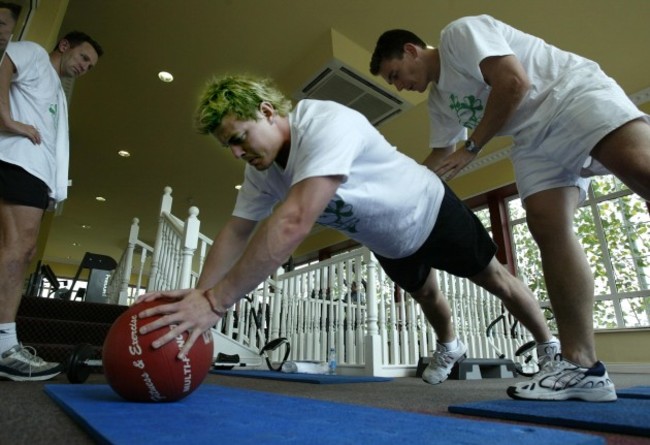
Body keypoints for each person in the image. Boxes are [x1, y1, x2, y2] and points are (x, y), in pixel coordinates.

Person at [137, 74, 558, 390]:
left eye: (239, 137)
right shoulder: (261, 174)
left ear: (267, 111)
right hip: (389, 241)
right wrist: (198, 296)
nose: (236, 153)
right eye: (227, 146)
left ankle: (550, 351)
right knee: (427, 294)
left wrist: (215, 302)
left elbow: (293, 221)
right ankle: (450, 345)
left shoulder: (324, 122)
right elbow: (235, 231)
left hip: (429, 207)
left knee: (496, 279)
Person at [369, 14, 650, 402]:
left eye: (395, 73)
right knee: (547, 227)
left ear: (411, 50)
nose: (400, 85)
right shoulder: (438, 100)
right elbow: (440, 155)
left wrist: (472, 148)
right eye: (392, 83)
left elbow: (514, 82)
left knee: (641, 170)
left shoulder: (458, 35)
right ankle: (582, 367)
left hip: (568, 95)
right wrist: (396, 184)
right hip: (531, 139)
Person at [0, 29, 103, 381]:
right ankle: (3, 347)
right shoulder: (31, 53)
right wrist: (6, 120)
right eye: (84, 58)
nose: (85, 67)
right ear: (64, 45)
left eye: (91, 66)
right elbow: (3, 61)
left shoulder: (55, 87)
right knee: (20, 249)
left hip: (34, 174)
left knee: (15, 250)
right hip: (18, 163)